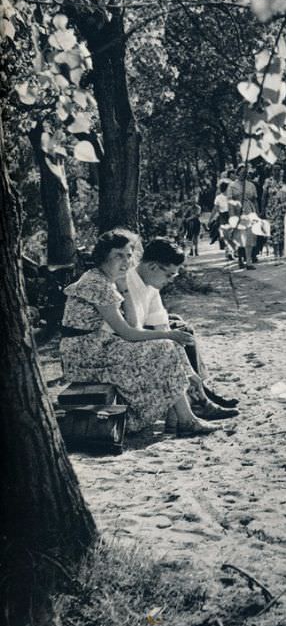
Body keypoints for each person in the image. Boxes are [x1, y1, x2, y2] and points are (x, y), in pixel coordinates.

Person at [60, 230, 218, 436]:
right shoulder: (96, 283)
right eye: (119, 255)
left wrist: (124, 287)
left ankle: (182, 417)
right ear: (103, 256)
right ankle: (186, 419)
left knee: (168, 344)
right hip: (83, 354)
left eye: (128, 255)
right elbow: (128, 333)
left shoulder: (109, 282)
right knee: (165, 345)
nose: (125, 261)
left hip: (99, 346)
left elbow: (134, 326)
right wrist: (168, 336)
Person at [119, 237, 238, 419]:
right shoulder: (125, 282)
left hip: (140, 332)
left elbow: (162, 323)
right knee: (174, 337)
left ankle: (200, 391)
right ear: (152, 267)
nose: (172, 280)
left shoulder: (150, 284)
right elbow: (130, 328)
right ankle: (199, 399)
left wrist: (188, 368)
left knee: (183, 330)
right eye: (169, 275)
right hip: (124, 339)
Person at [261, 165, 286, 261]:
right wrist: (263, 209)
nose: (277, 171)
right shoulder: (268, 181)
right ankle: (276, 254)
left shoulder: (284, 181)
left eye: (279, 169)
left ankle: (282, 252)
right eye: (275, 170)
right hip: (272, 210)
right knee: (275, 232)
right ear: (272, 171)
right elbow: (264, 196)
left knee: (283, 231)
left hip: (283, 209)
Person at [209, 182, 230, 248]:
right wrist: (211, 218)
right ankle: (227, 250)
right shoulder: (218, 197)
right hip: (223, 216)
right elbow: (215, 209)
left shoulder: (231, 197)